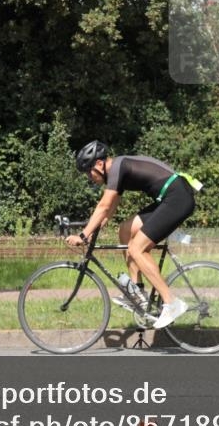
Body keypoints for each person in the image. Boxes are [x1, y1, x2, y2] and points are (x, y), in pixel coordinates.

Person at [67, 141, 200, 329]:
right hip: (169, 198)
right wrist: (98, 226)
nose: (89, 177)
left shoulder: (117, 168)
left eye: (89, 171)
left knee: (136, 249)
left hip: (177, 198)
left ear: (99, 164)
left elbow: (104, 205)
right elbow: (110, 208)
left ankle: (172, 303)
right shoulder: (118, 171)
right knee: (124, 230)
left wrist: (83, 234)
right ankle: (138, 293)